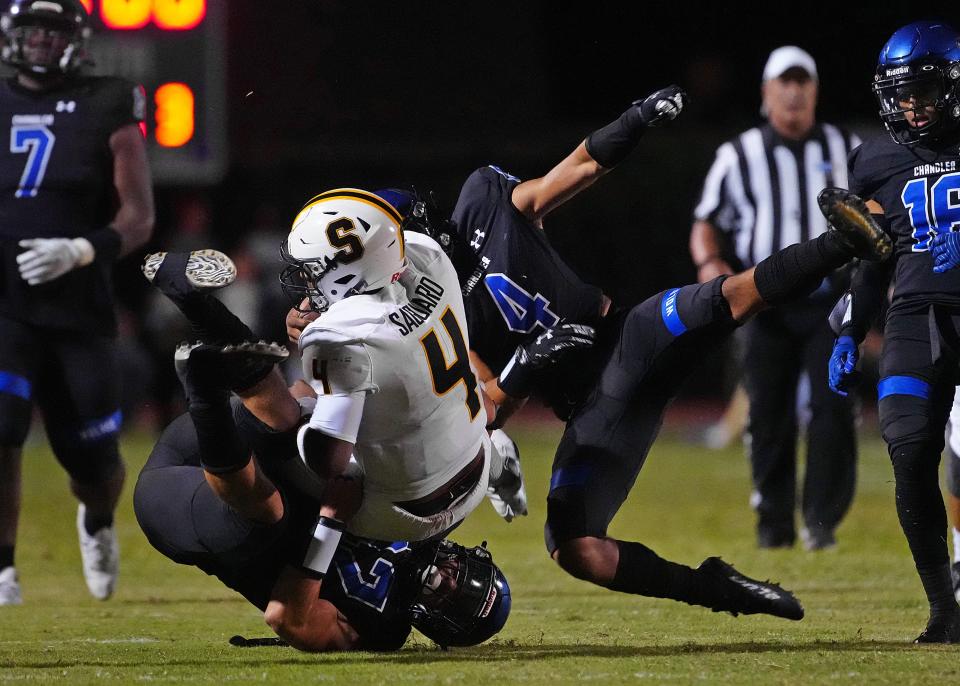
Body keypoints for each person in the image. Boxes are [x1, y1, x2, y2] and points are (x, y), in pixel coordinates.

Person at [285, 89, 890, 620]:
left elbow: (571, 171)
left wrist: (636, 119)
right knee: (578, 550)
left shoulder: (482, 206)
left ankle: (842, 241)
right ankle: (717, 590)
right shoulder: (428, 314)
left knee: (728, 297)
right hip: (598, 408)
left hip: (627, 337)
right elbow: (480, 411)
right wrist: (528, 364)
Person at [134, 339, 511, 651]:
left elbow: (289, 620)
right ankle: (216, 326)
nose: (448, 575)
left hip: (189, 504)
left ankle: (204, 390)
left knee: (272, 513)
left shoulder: (382, 630)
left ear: (439, 625)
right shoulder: (428, 522)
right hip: (241, 445)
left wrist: (331, 523)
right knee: (303, 429)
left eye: (453, 593)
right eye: (461, 572)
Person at [0, 0, 154, 605]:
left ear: (75, 39)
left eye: (53, 30)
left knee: (92, 457)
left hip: (77, 304)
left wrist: (82, 250)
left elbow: (139, 216)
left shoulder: (106, 100)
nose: (41, 41)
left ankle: (96, 521)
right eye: (31, 30)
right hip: (5, 298)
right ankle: (4, 569)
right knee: (3, 426)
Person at [690, 46, 861, 551]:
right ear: (766, 94)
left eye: (802, 81)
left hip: (828, 303)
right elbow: (707, 222)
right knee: (767, 414)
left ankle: (822, 522)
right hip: (762, 301)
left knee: (833, 409)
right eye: (783, 82)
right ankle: (775, 525)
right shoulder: (738, 154)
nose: (793, 91)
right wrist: (710, 269)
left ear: (814, 91)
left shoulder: (844, 147)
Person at [826, 20, 960, 642]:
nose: (911, 103)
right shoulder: (874, 159)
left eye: (925, 89)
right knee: (909, 457)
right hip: (912, 321)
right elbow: (870, 255)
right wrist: (852, 329)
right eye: (901, 91)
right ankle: (945, 611)